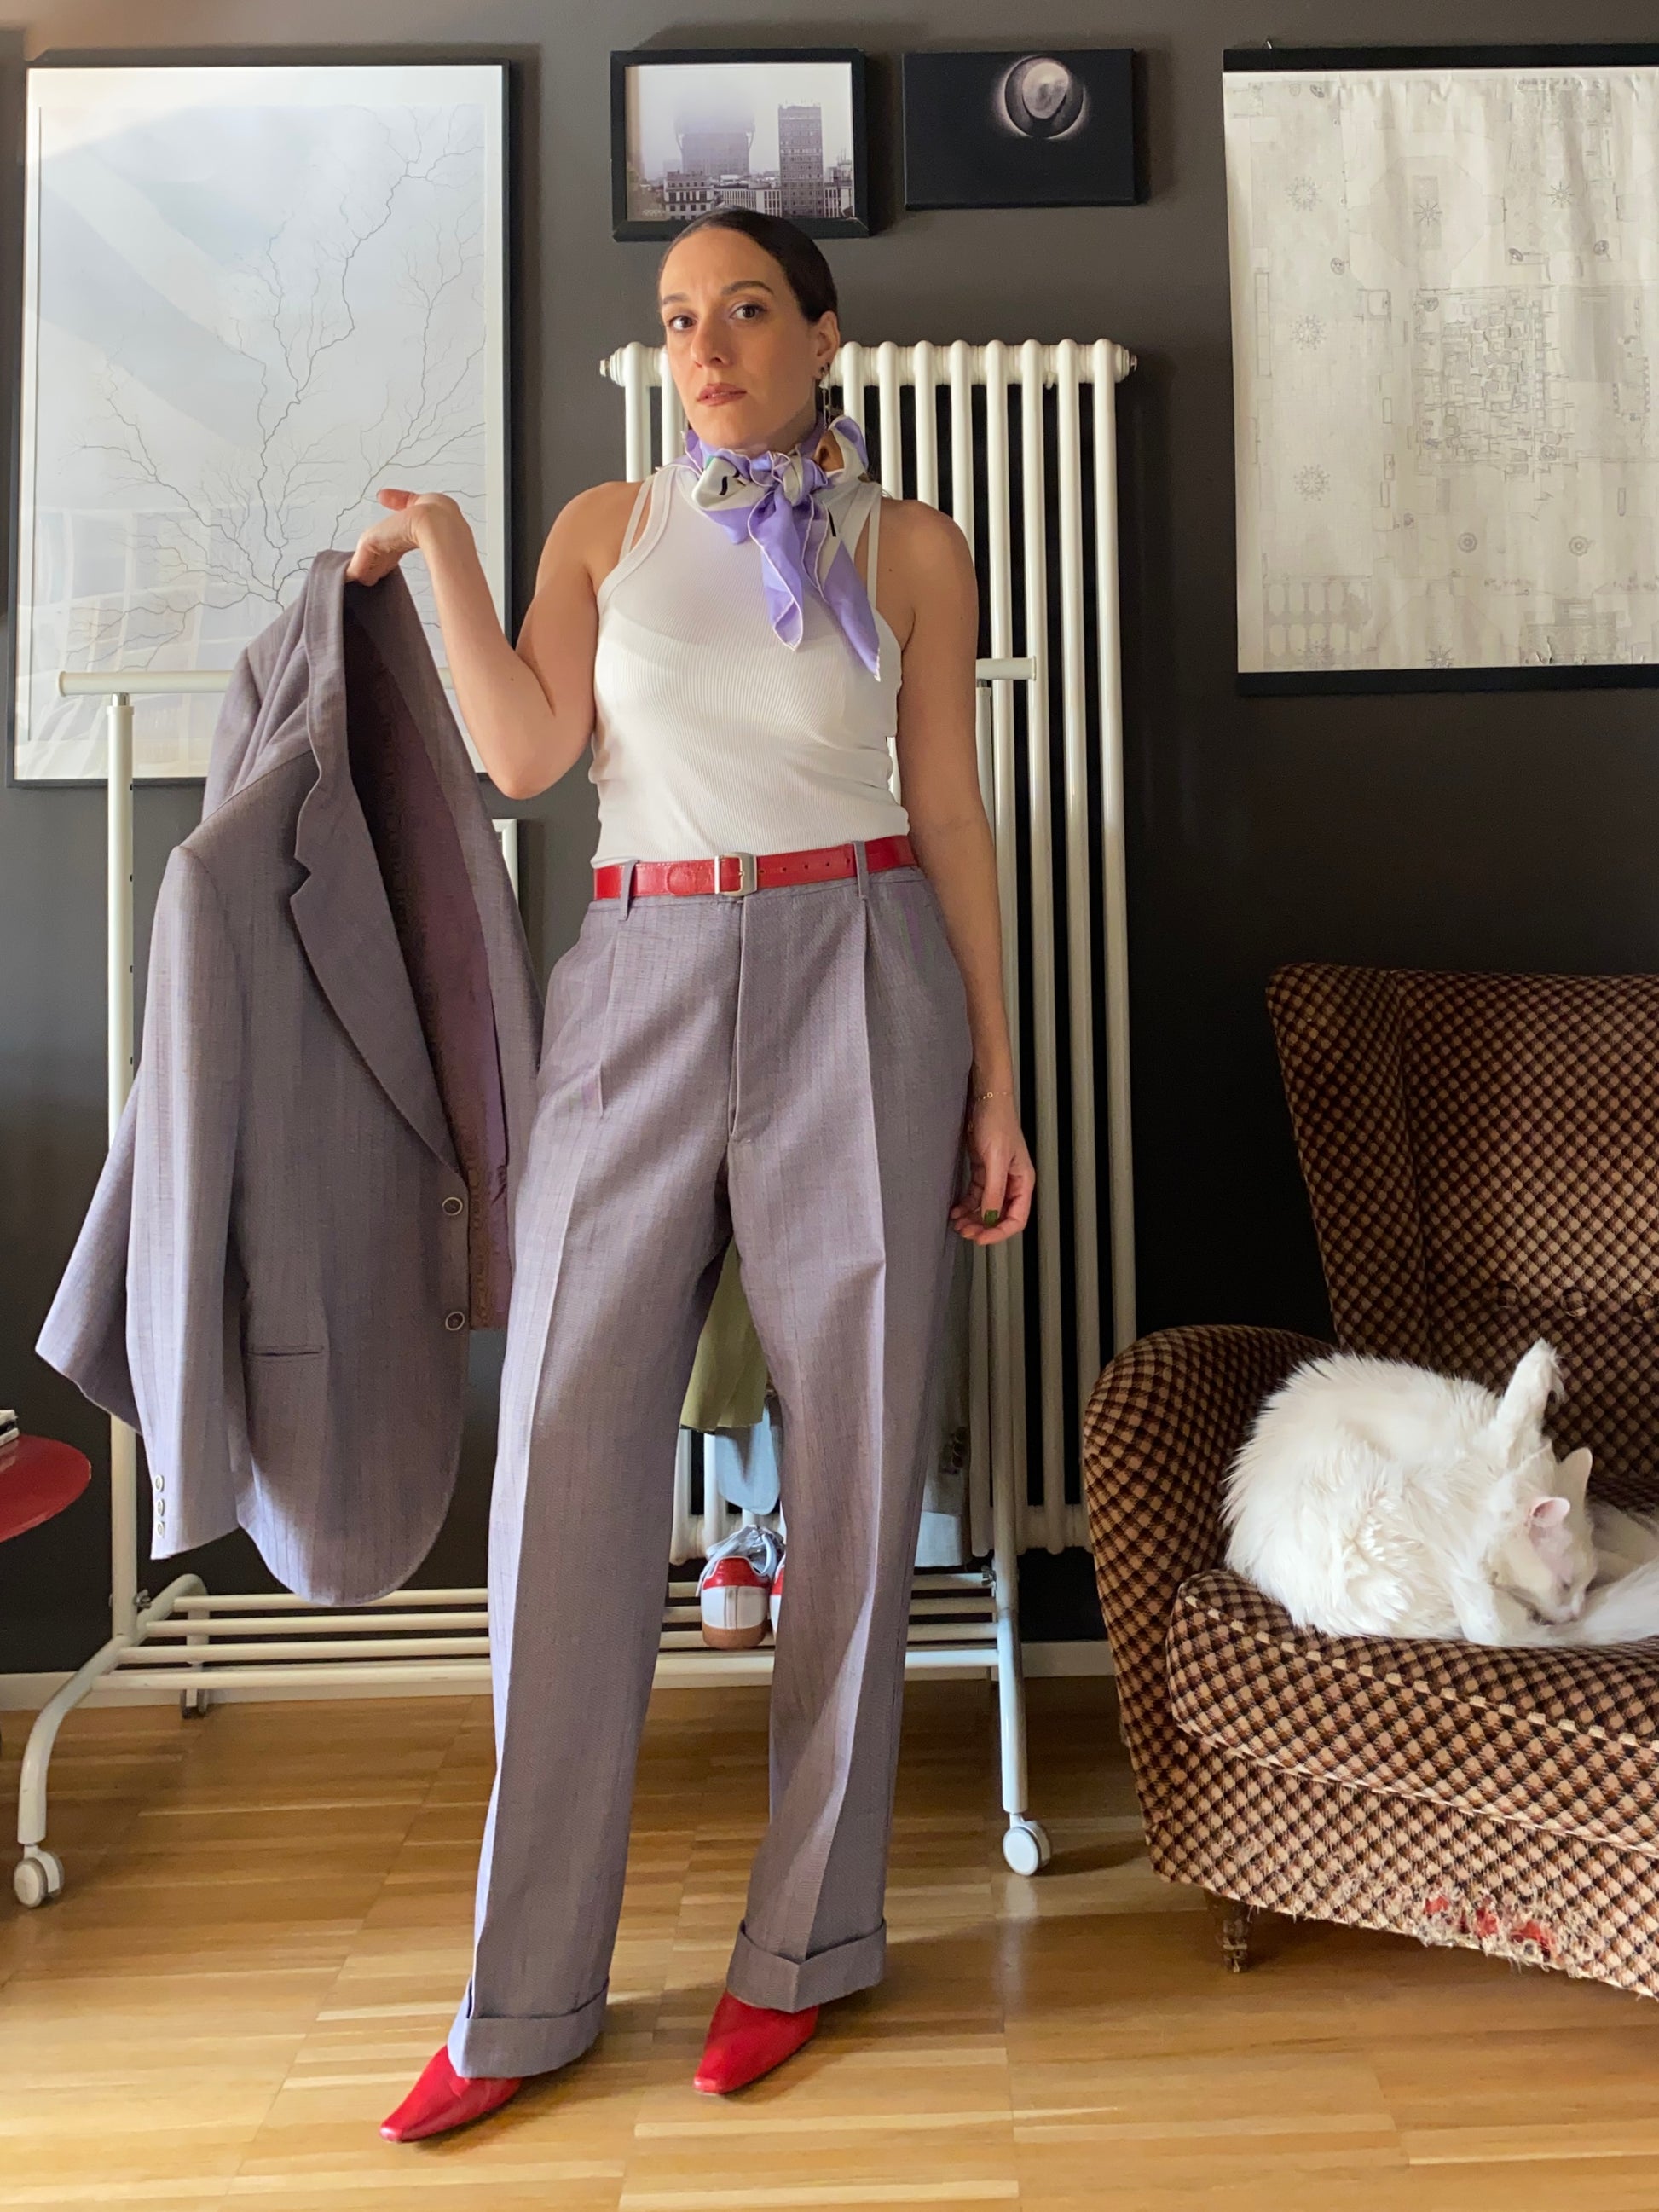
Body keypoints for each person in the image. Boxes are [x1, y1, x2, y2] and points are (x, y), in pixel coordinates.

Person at [347, 207, 1034, 2141]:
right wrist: (450, 551)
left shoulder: (912, 550)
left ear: (823, 334)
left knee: (857, 1462)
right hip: (640, 969)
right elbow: (524, 757)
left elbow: (950, 807)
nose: (706, 345)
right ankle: (520, 1995)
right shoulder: (605, 528)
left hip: (862, 967)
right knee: (565, 1458)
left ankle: (803, 1948)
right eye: (675, 319)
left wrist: (995, 1077)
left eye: (743, 309)